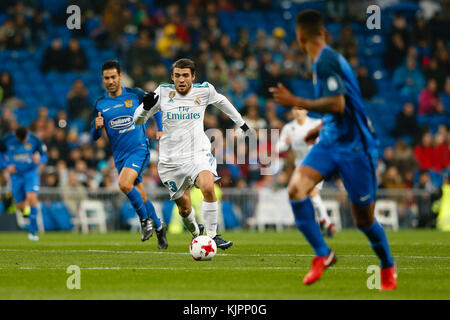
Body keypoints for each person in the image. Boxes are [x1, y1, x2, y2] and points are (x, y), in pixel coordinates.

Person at [269, 10, 396, 290]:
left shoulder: (325, 62)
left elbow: (338, 103)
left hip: (355, 147)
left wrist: (295, 99)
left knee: (364, 220)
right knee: (296, 189)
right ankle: (323, 254)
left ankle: (387, 266)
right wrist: (321, 126)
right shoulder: (327, 59)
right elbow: (341, 106)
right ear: (322, 32)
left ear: (300, 37)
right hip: (330, 141)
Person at [134, 58, 251, 250]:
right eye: (177, 75)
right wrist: (145, 108)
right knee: (184, 208)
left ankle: (213, 237)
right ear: (172, 77)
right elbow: (137, 121)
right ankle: (197, 234)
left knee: (207, 186)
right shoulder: (162, 93)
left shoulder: (204, 91)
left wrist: (242, 124)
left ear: (193, 76)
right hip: (170, 161)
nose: (181, 79)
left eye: (185, 75)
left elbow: (223, 102)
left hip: (198, 153)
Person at [91, 60, 168, 249]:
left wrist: (160, 129)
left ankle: (144, 221)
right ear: (103, 79)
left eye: (113, 77)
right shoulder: (100, 103)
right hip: (119, 156)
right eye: (106, 78)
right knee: (140, 195)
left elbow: (155, 106)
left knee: (124, 184)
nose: (110, 81)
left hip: (139, 149)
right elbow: (96, 137)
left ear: (120, 76)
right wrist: (96, 129)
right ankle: (159, 227)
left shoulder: (135, 94)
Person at [277, 107, 336, 237]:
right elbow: (279, 147)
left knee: (311, 192)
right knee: (310, 196)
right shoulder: (288, 128)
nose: (297, 112)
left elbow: (326, 140)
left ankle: (324, 221)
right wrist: (284, 144)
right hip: (300, 167)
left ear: (306, 111)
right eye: (295, 109)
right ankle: (324, 221)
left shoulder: (315, 124)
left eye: (300, 109)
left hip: (316, 164)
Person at [0, 126, 48, 241]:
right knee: (20, 205)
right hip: (16, 175)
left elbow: (45, 156)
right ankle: (26, 211)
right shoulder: (6, 139)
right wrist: (6, 166)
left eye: (25, 138)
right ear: (16, 137)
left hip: (30, 173)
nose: (24, 141)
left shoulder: (35, 139)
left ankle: (33, 231)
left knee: (32, 197)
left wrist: (39, 160)